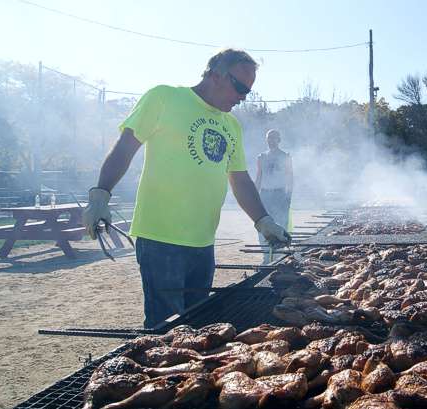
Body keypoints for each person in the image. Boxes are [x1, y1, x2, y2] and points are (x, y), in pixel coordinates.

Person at [82, 48, 291, 329]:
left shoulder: (231, 125)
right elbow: (125, 147)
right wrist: (100, 193)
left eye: (248, 92)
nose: (242, 97)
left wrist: (263, 220)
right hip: (160, 238)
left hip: (203, 242)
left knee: (196, 326)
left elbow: (240, 179)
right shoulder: (165, 98)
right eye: (240, 87)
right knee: (166, 329)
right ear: (216, 75)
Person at [254, 129, 293, 263]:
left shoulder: (285, 156)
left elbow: (290, 177)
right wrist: (255, 195)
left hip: (280, 193)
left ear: (279, 140)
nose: (271, 141)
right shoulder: (261, 157)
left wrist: (289, 195)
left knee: (281, 223)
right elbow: (259, 177)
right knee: (263, 223)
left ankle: (278, 256)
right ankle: (266, 256)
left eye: (274, 138)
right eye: (269, 138)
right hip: (265, 194)